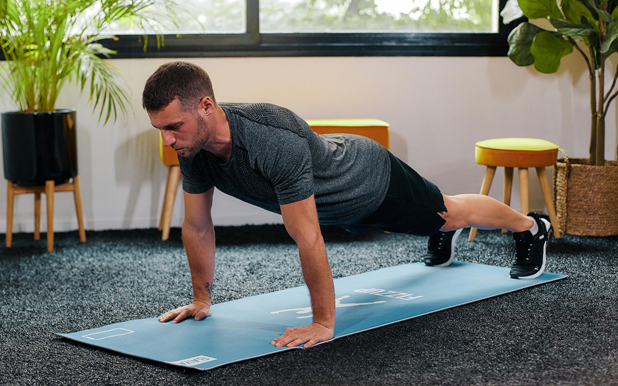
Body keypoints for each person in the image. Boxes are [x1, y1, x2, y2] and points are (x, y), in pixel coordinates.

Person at [142, 61, 553, 350]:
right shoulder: (191, 146)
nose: (168, 140)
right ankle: (440, 231)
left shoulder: (270, 138)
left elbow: (307, 235)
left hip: (369, 183)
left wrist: (323, 323)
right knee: (434, 221)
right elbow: (197, 226)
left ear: (206, 106)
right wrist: (202, 300)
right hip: (338, 205)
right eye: (160, 129)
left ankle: (531, 227)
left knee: (449, 213)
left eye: (173, 126)